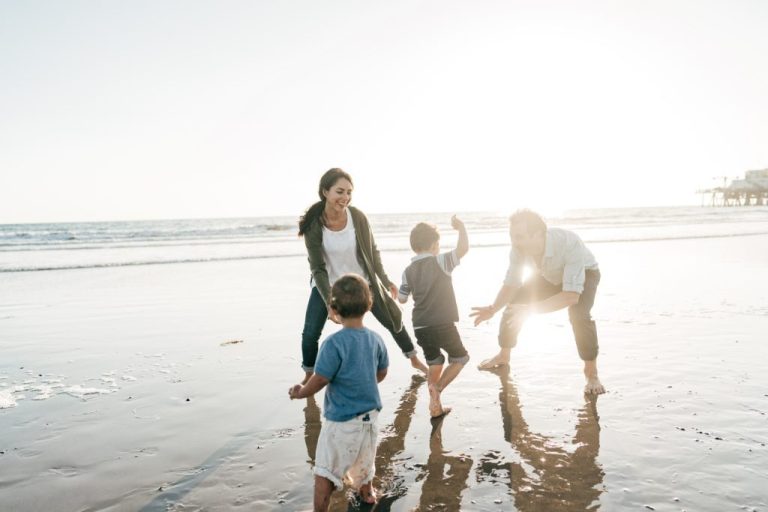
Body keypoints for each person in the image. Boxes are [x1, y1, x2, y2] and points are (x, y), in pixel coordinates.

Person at [298, 168, 428, 384]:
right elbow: (318, 268)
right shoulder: (314, 225)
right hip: (328, 284)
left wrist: (384, 280)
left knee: (392, 318)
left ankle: (414, 359)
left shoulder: (357, 217)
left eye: (349, 192)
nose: (345, 197)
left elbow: (372, 251)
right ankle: (309, 374)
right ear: (325, 192)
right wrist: (329, 301)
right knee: (310, 333)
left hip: (362, 282)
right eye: (340, 191)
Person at [470, 209, 605, 394]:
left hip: (586, 273)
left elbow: (570, 296)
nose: (514, 242)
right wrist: (493, 309)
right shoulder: (517, 250)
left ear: (539, 234)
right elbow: (511, 284)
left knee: (578, 314)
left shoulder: (569, 242)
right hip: (550, 275)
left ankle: (591, 373)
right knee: (514, 303)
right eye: (512, 236)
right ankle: (503, 355)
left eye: (519, 237)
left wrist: (529, 309)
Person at [288, 274, 388, 510]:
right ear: (369, 305)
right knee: (365, 460)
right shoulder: (376, 339)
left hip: (342, 421)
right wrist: (364, 381)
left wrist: (302, 392)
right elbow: (382, 372)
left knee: (324, 473)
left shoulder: (334, 343)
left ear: (333, 309)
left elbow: (321, 378)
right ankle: (367, 492)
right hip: (370, 418)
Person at [398, 215, 470, 417]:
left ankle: (435, 407)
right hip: (443, 323)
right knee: (460, 358)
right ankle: (437, 388)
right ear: (435, 245)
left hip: (421, 326)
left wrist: (398, 291)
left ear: (414, 246)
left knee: (435, 362)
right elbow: (463, 249)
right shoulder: (441, 261)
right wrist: (461, 227)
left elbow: (402, 299)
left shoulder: (407, 271)